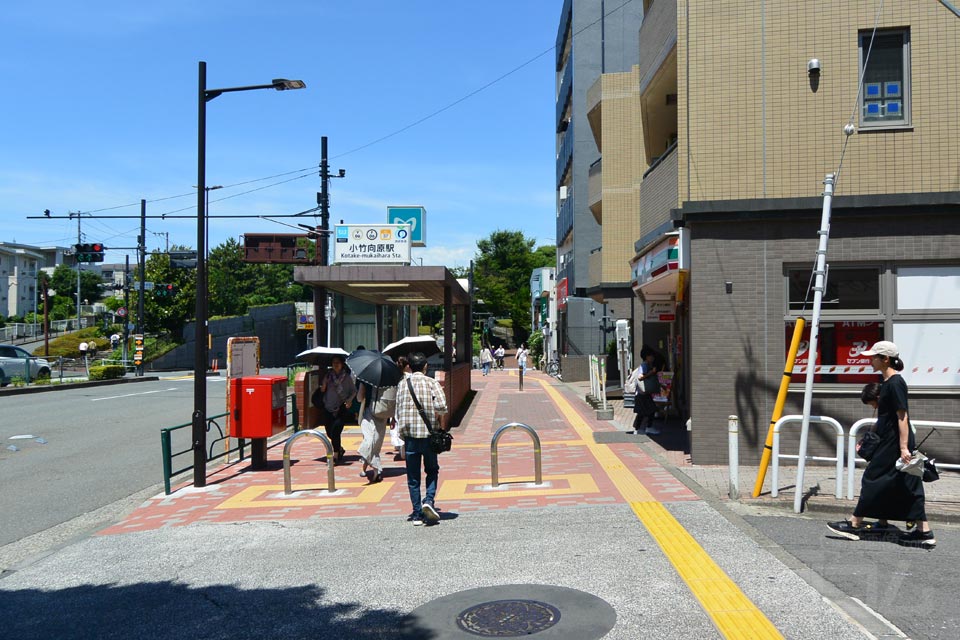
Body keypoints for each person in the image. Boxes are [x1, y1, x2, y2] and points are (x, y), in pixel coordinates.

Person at [827, 341, 935, 548]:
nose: (870, 360)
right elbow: (886, 417)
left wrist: (904, 448)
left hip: (894, 443)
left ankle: (854, 523)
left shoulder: (895, 383)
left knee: (873, 478)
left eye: (874, 357)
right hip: (889, 440)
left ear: (885, 359)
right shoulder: (887, 383)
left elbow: (902, 416)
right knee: (907, 484)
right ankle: (923, 531)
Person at [395, 352, 448, 526]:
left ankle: (417, 514)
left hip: (409, 436)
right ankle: (429, 501)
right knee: (432, 470)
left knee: (413, 476)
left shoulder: (402, 384)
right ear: (425, 366)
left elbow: (398, 411)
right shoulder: (431, 382)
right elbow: (441, 406)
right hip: (428, 435)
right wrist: (439, 423)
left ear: (409, 366)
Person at [312, 355, 356, 464]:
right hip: (328, 407)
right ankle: (339, 449)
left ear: (342, 364)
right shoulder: (328, 376)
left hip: (341, 408)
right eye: (333, 363)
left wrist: (349, 400)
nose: (335, 364)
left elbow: (353, 391)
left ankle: (335, 455)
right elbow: (322, 390)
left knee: (336, 431)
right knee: (330, 433)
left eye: (338, 362)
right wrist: (324, 385)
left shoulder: (346, 377)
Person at [356, 380, 390, 483]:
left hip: (369, 413)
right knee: (375, 443)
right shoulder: (388, 379)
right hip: (383, 413)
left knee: (369, 441)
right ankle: (366, 469)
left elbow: (359, 398)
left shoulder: (365, 380)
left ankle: (376, 469)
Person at [631, 347, 660, 435]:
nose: (653, 358)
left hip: (643, 392)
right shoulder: (644, 365)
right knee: (649, 410)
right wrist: (651, 372)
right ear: (646, 356)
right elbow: (640, 377)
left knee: (645, 411)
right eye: (651, 356)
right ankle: (646, 428)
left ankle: (639, 429)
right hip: (642, 392)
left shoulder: (647, 365)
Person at [390, 356, 412, 461]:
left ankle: (399, 448)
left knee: (397, 426)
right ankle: (404, 450)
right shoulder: (410, 377)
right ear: (407, 366)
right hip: (407, 405)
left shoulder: (394, 377)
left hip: (395, 406)